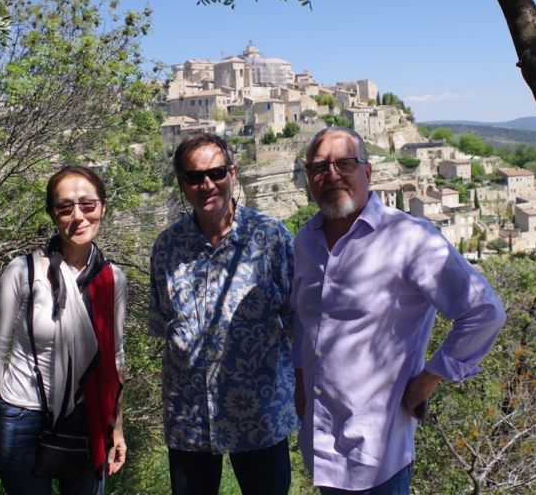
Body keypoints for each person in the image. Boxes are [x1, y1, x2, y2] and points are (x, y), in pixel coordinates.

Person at [292, 128, 506, 495]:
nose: (331, 176)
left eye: (344, 163)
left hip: (377, 455)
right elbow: (305, 321)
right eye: (319, 167)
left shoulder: (408, 238)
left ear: (367, 172)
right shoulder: (305, 242)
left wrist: (428, 380)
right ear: (308, 179)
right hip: (321, 447)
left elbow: (484, 311)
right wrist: (300, 384)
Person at [149, 131, 297, 495]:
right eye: (194, 176)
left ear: (233, 173)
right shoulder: (168, 246)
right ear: (182, 183)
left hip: (260, 417)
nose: (207, 184)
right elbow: (164, 322)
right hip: (190, 418)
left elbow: (297, 319)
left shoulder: (271, 237)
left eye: (216, 173)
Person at [0, 166, 127, 495]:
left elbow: (115, 359)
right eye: (65, 207)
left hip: (88, 417)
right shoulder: (23, 271)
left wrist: (117, 428)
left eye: (88, 204)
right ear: (53, 215)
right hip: (22, 416)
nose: (78, 216)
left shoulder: (113, 279)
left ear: (102, 208)